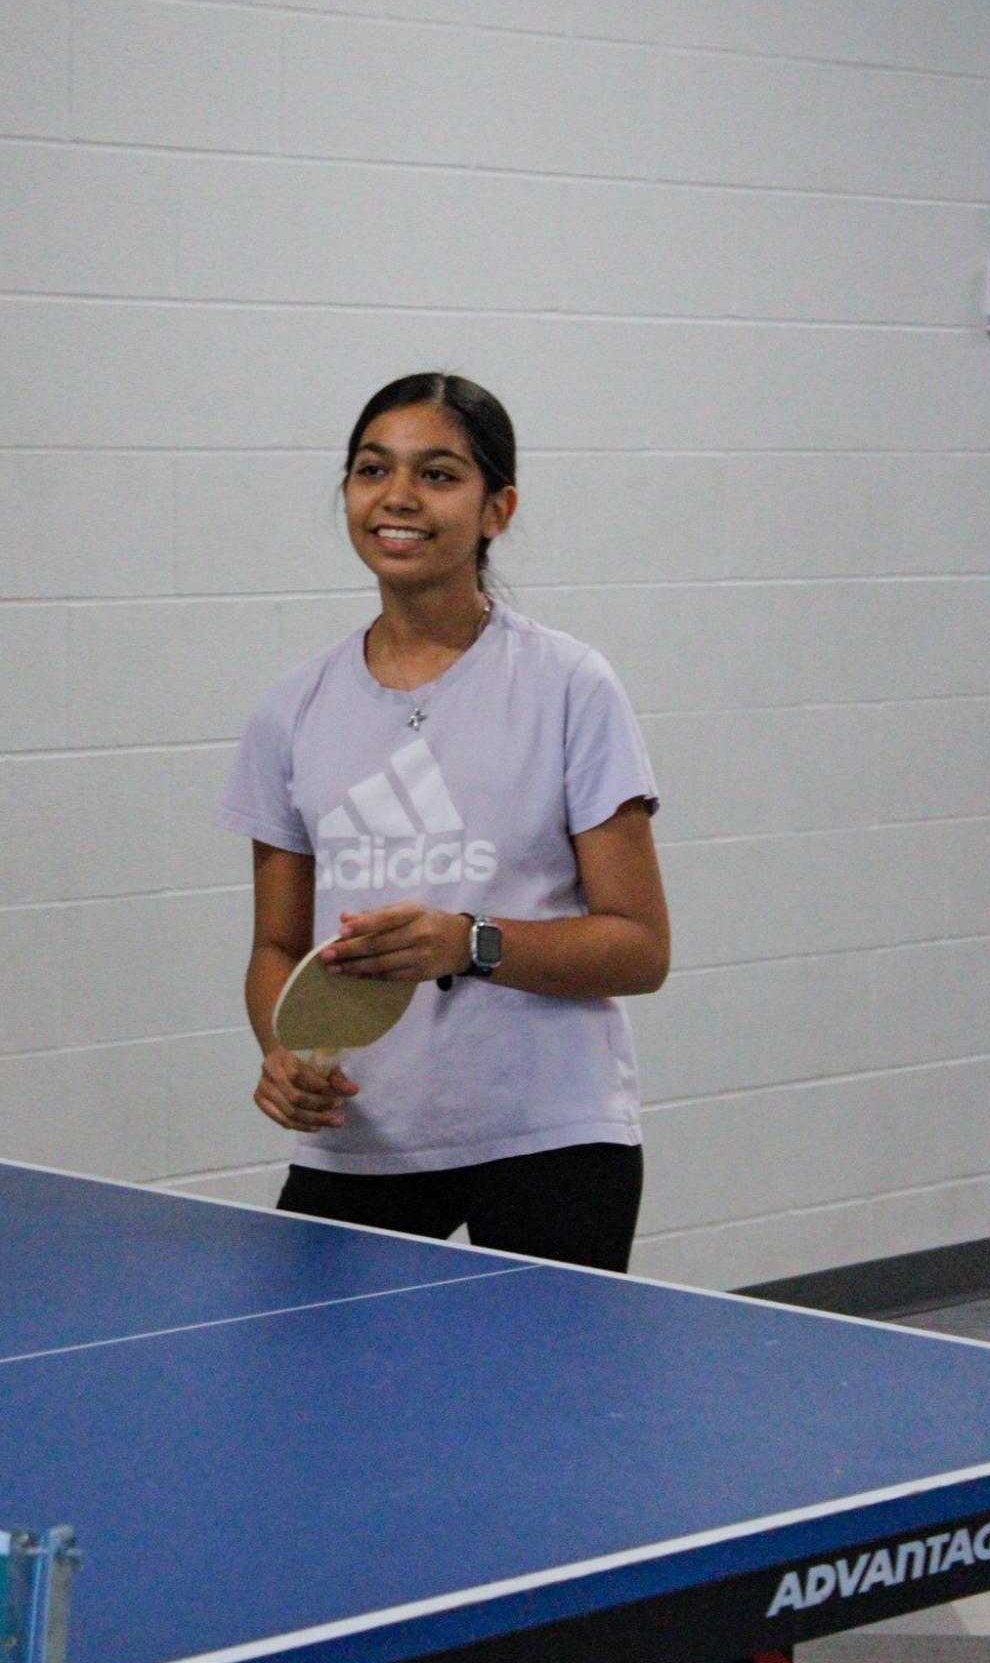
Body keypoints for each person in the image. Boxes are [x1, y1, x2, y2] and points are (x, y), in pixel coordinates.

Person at [216, 372, 669, 1278]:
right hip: (362, 1136)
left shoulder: (570, 686)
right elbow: (275, 945)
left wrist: (469, 942)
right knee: (314, 1406)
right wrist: (282, 1050)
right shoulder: (290, 710)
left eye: (438, 474)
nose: (397, 497)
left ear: (496, 508)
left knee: (544, 1417)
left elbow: (639, 948)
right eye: (372, 468)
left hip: (550, 1140)